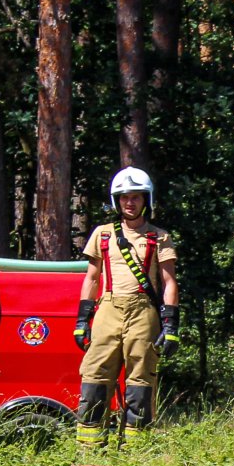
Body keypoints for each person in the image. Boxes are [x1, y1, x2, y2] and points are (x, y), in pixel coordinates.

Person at [74, 167, 180, 451]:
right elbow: (92, 278)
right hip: (108, 308)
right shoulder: (103, 234)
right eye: (123, 197)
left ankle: (136, 451)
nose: (129, 203)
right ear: (115, 200)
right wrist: (82, 320)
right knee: (95, 374)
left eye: (135, 197)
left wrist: (170, 326)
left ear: (146, 200)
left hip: (143, 312)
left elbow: (169, 282)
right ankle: (89, 449)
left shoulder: (160, 237)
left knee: (141, 378)